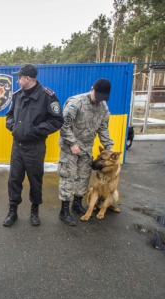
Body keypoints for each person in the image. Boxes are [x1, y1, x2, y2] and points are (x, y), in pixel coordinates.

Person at [4, 64, 64, 227]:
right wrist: (12, 126)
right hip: (17, 146)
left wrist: (35, 131)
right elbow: (9, 116)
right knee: (14, 179)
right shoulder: (17, 96)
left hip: (35, 147)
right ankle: (12, 211)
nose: (17, 81)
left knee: (35, 180)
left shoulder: (48, 97)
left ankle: (34, 211)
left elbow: (57, 120)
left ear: (28, 79)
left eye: (19, 78)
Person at [58, 78, 114, 226]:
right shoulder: (76, 103)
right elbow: (64, 126)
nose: (99, 101)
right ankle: (64, 211)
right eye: (97, 97)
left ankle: (77, 204)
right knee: (68, 176)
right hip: (70, 147)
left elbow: (103, 129)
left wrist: (109, 147)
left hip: (86, 148)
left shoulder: (103, 107)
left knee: (83, 177)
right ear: (92, 89)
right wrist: (72, 143)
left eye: (103, 98)